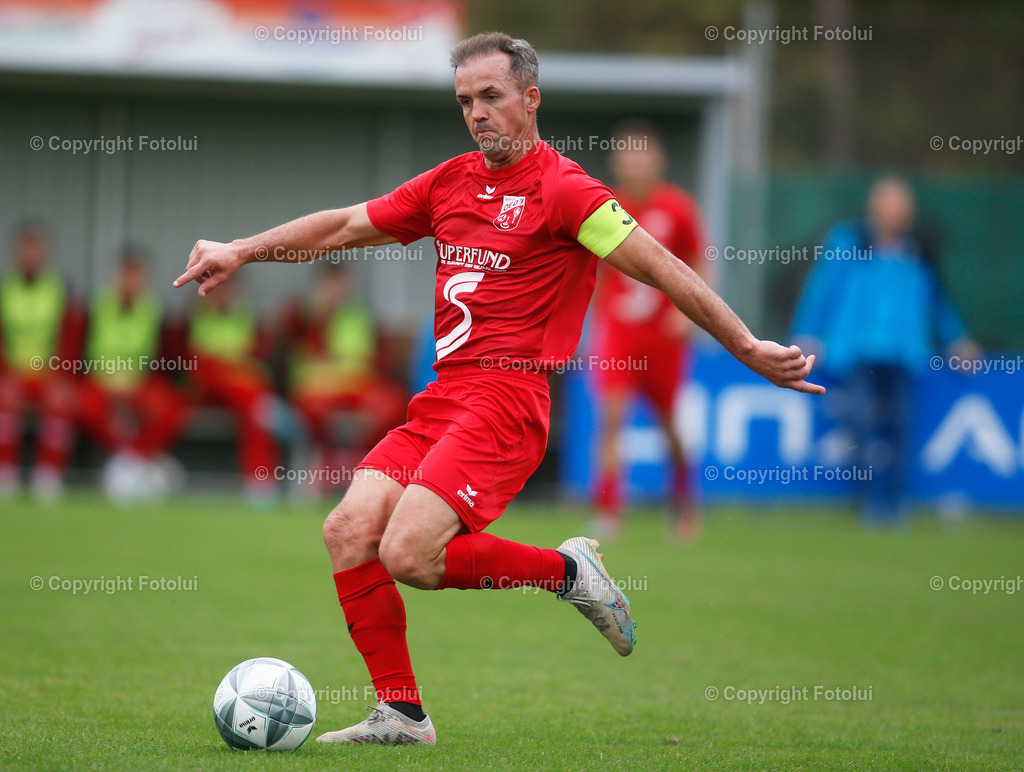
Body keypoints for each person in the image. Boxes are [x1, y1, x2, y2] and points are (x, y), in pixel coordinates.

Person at [175, 32, 823, 745]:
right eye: (465, 101)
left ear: (530, 99)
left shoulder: (567, 192)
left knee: (409, 555)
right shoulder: (450, 182)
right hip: (443, 396)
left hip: (509, 400)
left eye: (491, 96)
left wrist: (744, 345)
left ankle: (565, 572)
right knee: (348, 530)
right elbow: (346, 225)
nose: (478, 113)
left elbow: (662, 266)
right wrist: (241, 248)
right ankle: (402, 715)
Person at [791, 174, 979, 524]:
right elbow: (822, 288)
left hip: (904, 353)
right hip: (856, 352)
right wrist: (806, 332)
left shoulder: (919, 249)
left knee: (902, 428)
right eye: (888, 206)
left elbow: (938, 300)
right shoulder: (848, 242)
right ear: (874, 209)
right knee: (861, 422)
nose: (895, 215)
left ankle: (896, 505)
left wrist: (957, 339)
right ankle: (869, 503)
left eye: (901, 208)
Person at [591, 120, 707, 540]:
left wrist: (685, 313)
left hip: (663, 336)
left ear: (658, 160)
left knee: (669, 424)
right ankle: (608, 508)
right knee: (612, 417)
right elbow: (595, 270)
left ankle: (683, 503)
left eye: (644, 153)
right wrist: (602, 313)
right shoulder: (605, 207)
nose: (636, 162)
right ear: (618, 161)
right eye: (628, 154)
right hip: (621, 332)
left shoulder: (677, 207)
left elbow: (701, 260)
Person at [77, 248, 186, 502]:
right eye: (126, 273)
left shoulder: (156, 309)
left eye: (136, 274)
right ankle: (131, 463)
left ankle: (130, 463)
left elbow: (167, 358)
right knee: (85, 405)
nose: (130, 280)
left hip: (139, 384)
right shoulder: (96, 306)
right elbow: (78, 353)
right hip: (100, 382)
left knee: (169, 406)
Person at [287, 262, 407, 493]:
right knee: (313, 410)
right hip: (319, 389)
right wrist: (319, 319)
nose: (336, 289)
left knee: (391, 404)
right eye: (330, 283)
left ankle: (363, 462)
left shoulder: (362, 315)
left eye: (340, 282)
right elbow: (289, 353)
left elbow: (380, 361)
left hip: (358, 386)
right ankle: (326, 461)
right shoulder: (302, 316)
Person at [0, 220, 82, 501]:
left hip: (48, 375)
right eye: (26, 248)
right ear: (16, 251)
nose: (31, 255)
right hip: (11, 375)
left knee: (59, 402)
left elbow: (69, 338)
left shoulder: (59, 288)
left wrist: (60, 377)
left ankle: (48, 476)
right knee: (3, 400)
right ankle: (5, 474)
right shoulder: (5, 288)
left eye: (36, 248)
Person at [185, 280, 282, 506]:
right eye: (220, 289)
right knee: (255, 400)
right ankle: (261, 476)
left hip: (239, 393)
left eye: (230, 288)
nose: (226, 295)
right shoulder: (200, 314)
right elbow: (201, 366)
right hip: (208, 390)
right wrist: (233, 370)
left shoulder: (245, 317)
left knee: (254, 408)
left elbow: (253, 361)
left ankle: (259, 479)